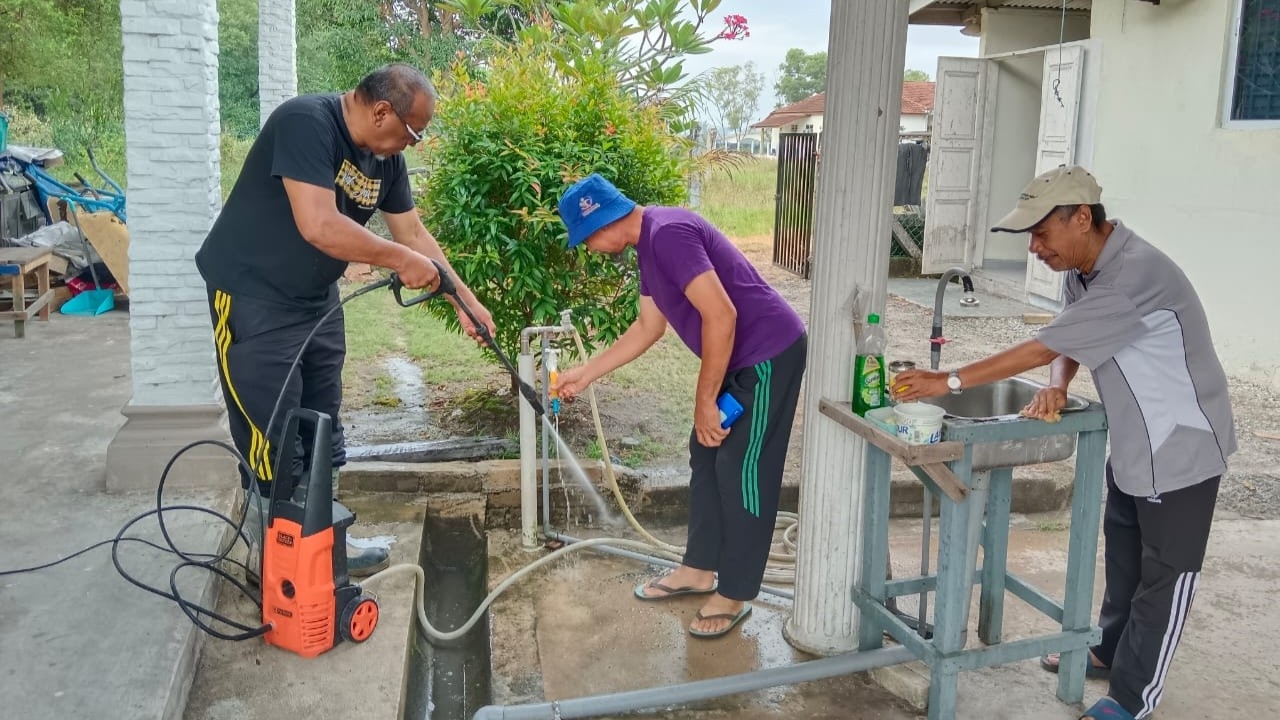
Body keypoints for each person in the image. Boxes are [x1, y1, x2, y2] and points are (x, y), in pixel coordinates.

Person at [893, 165, 1236, 720]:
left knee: (1165, 578)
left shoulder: (1133, 274)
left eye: (1041, 234)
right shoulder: (1087, 270)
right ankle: (1106, 649)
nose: (1034, 249)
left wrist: (949, 379)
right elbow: (1073, 336)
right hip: (1133, 440)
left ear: (1082, 218)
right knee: (1124, 559)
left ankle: (1132, 697)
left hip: (1180, 445)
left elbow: (1040, 344)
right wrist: (1058, 384)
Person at [195, 64, 495, 581]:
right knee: (272, 429)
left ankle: (327, 539)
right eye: (412, 132)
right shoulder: (305, 122)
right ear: (382, 111)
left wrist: (462, 297)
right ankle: (275, 553)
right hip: (252, 296)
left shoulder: (385, 158)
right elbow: (318, 223)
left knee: (322, 419)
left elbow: (413, 232)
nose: (413, 144)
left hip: (315, 298)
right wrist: (397, 260)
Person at [551, 173, 808, 639]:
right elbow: (648, 328)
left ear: (601, 223)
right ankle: (698, 569)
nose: (588, 250)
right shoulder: (649, 245)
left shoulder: (667, 233)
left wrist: (705, 400)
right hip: (739, 357)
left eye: (585, 240)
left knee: (742, 468)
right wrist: (583, 375)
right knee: (706, 454)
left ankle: (734, 591)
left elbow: (721, 314)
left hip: (769, 353)